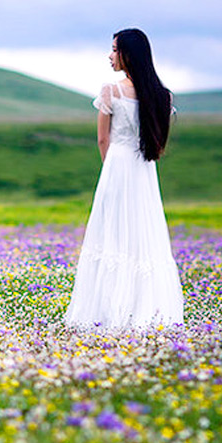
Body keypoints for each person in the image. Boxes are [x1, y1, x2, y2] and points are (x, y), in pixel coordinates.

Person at [63, 28, 184, 329]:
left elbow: (103, 140)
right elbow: (157, 145)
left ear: (129, 54)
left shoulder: (111, 91)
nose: (110, 55)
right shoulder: (162, 96)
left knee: (112, 235)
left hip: (117, 168)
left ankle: (107, 312)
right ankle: (146, 310)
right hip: (144, 171)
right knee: (143, 236)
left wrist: (110, 173)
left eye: (115, 49)